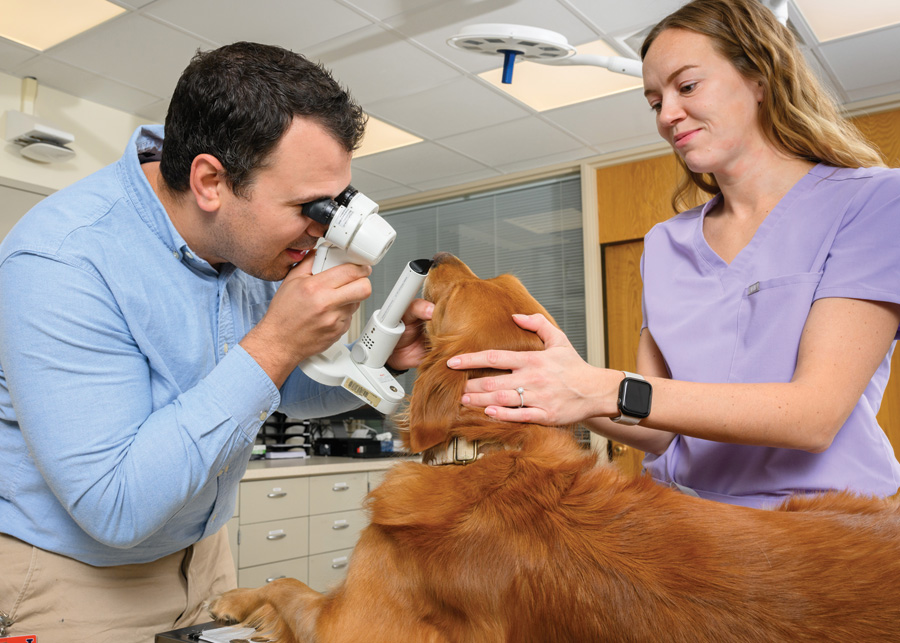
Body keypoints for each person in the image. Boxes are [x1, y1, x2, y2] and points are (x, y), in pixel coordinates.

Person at [0, 42, 431, 642]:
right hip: (76, 582)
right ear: (210, 181)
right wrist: (276, 341)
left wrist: (381, 357)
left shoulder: (244, 247)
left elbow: (281, 394)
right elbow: (113, 504)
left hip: (205, 560)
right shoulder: (62, 261)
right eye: (311, 206)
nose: (325, 227)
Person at [448, 0, 900, 509]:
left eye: (686, 86)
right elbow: (656, 431)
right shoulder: (666, 244)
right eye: (654, 100)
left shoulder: (872, 201)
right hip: (686, 524)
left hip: (824, 529)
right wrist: (562, 382)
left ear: (760, 77)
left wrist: (602, 388)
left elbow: (813, 416)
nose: (667, 115)